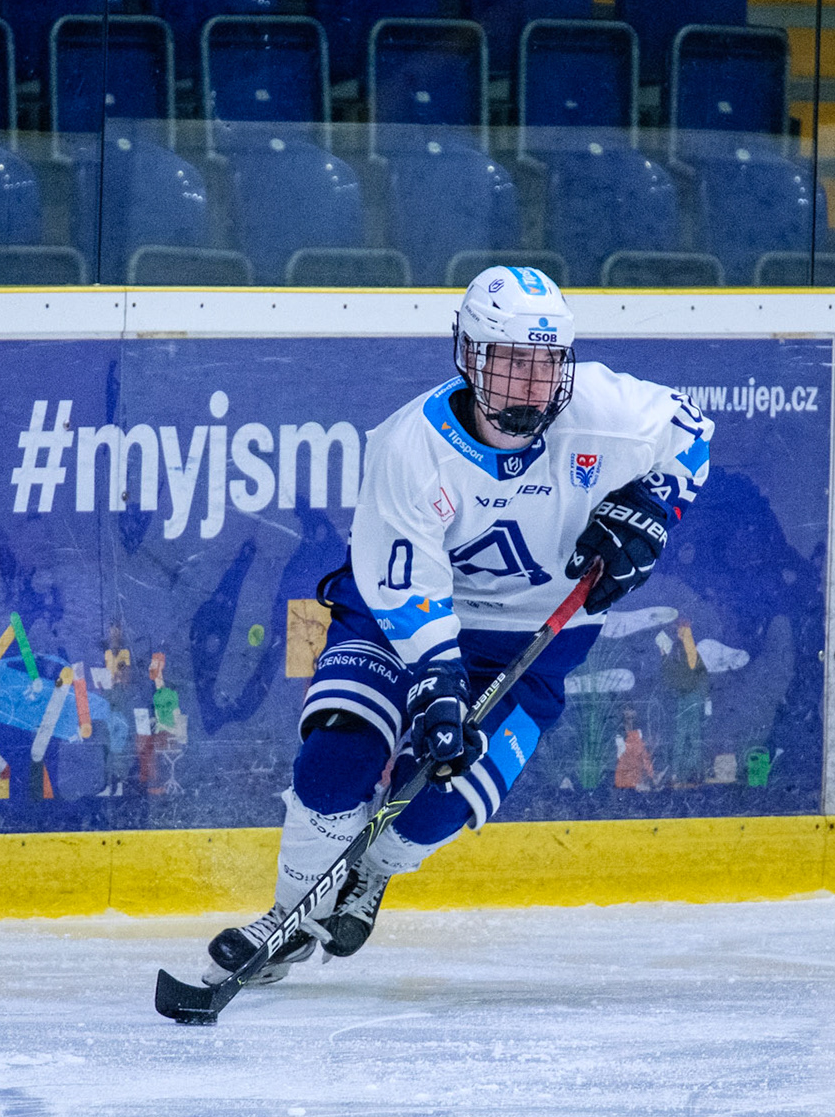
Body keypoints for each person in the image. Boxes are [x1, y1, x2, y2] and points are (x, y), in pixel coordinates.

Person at [204, 266, 716, 986]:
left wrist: (655, 506)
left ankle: (370, 871)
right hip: (402, 619)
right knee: (338, 757)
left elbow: (691, 430)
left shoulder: (604, 412)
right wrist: (438, 682)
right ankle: (288, 922)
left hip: (534, 643)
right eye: (511, 362)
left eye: (547, 363)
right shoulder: (411, 446)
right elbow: (404, 587)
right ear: (470, 356)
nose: (532, 385)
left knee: (433, 808)